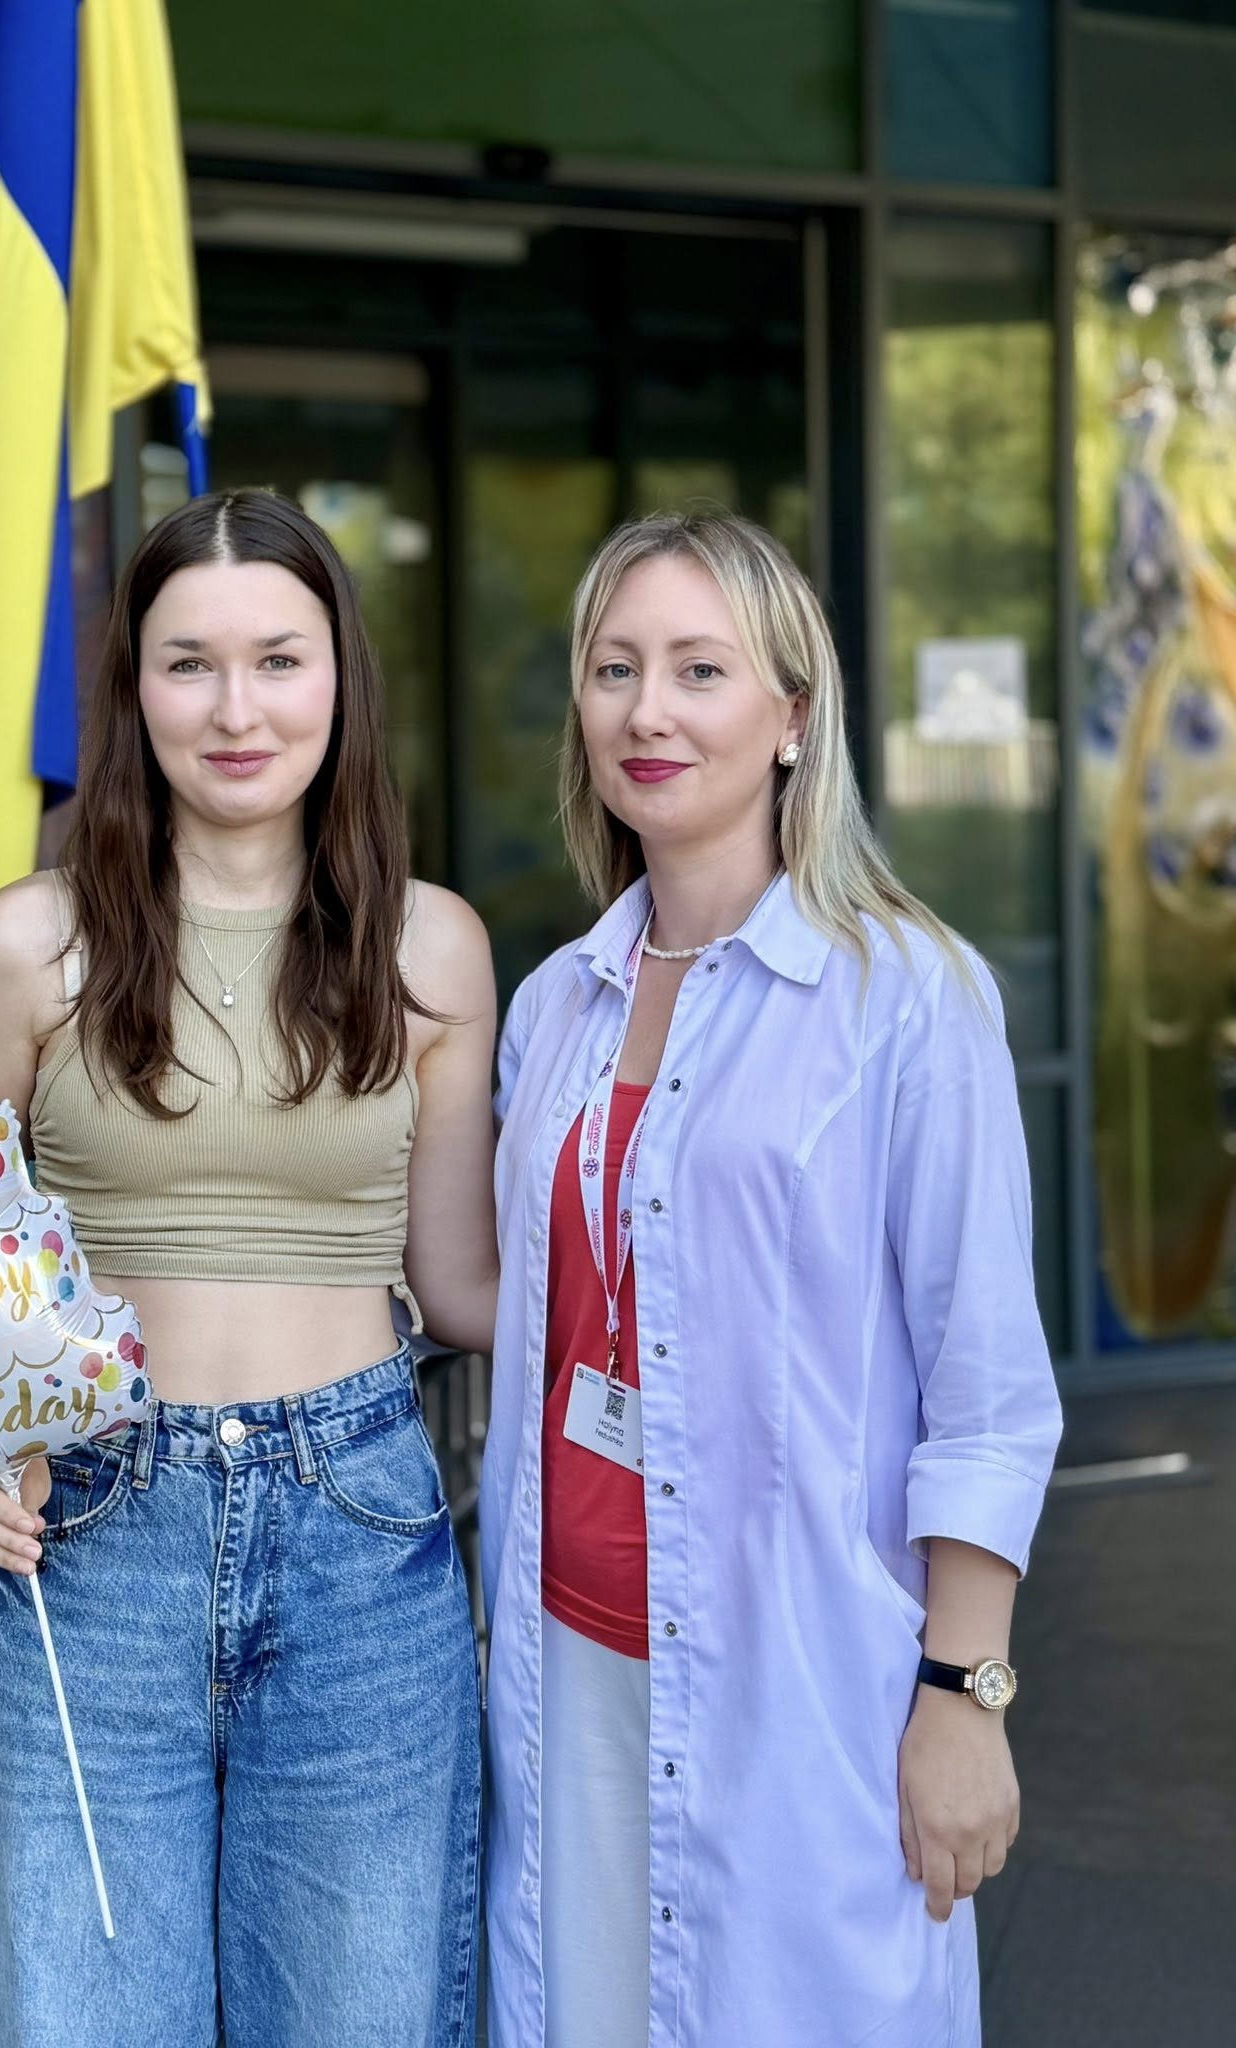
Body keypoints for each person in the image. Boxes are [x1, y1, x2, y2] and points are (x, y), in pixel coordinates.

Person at [483, 511, 1063, 2048]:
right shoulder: (553, 1009)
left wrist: (963, 1693)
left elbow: (990, 1395)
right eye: (615, 669)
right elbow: (516, 1306)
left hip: (800, 1676)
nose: (649, 712)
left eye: (700, 670)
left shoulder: (908, 999)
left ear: (794, 715)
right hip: (566, 1661)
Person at [0, 489, 497, 2048]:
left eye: (278, 661)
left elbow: (462, 1287)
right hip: (88, 1538)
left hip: (361, 1535)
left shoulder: (433, 948)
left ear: (341, 681)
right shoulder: (24, 945)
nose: (237, 710)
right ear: (132, 690)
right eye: (190, 663)